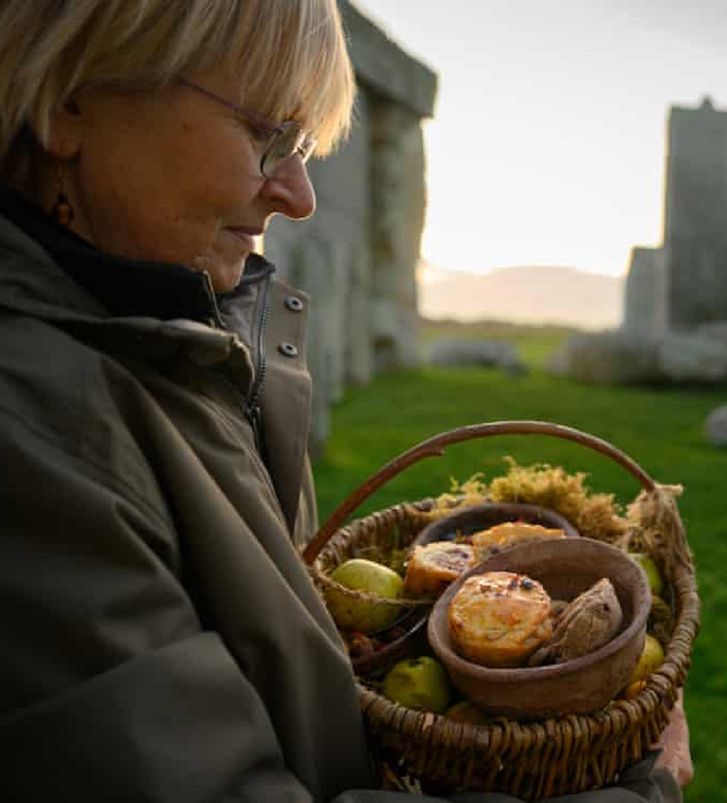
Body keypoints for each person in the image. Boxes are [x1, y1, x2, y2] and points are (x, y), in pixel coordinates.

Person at [0, 1, 689, 800]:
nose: (298, 196)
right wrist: (636, 790)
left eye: (301, 147)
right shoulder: (34, 438)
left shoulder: (173, 352)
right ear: (67, 104)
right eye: (268, 136)